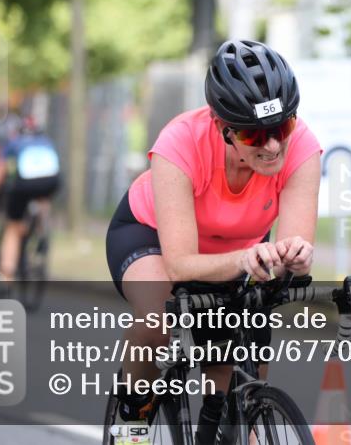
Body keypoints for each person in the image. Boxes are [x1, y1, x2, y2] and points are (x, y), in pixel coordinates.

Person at [104, 40, 321, 445]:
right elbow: (180, 265)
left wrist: (295, 256)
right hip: (151, 237)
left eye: (282, 128)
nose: (273, 146)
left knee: (233, 371)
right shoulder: (180, 142)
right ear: (224, 129)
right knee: (158, 320)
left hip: (239, 251)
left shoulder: (303, 148)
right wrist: (245, 259)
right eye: (254, 135)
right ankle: (132, 419)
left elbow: (291, 252)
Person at [0, 115, 61, 281]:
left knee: (12, 227)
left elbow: (0, 171)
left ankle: (6, 274)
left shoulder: (15, 142)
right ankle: (42, 229)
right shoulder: (47, 142)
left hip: (25, 183)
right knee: (43, 198)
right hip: (51, 181)